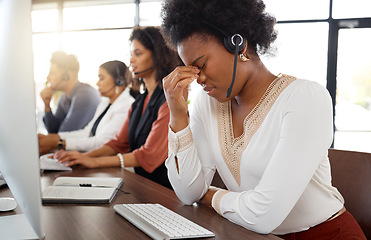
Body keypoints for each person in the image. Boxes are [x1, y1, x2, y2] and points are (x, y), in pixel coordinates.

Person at [161, 0, 366, 239]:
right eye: (191, 70)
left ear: (238, 44)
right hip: (251, 234)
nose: (199, 78)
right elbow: (187, 192)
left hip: (325, 234)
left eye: (202, 65)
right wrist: (177, 116)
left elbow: (263, 215)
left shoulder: (304, 98)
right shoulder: (207, 104)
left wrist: (207, 195)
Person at [55, 27, 182, 189]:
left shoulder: (169, 100)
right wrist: (81, 157)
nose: (131, 61)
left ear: (157, 55)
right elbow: (118, 144)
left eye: (138, 53)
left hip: (164, 190)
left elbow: (148, 155)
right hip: (142, 185)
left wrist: (93, 162)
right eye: (131, 54)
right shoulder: (139, 102)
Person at [38, 60, 136, 154]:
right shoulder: (105, 103)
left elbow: (100, 143)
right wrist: (53, 138)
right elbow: (87, 132)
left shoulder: (126, 106)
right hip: (96, 158)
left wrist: (59, 143)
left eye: (101, 78)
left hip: (111, 164)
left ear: (118, 81)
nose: (97, 83)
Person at [41, 51, 101, 133]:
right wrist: (47, 106)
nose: (48, 78)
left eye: (52, 73)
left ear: (66, 76)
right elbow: (53, 131)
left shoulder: (84, 96)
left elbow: (63, 134)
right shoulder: (64, 97)